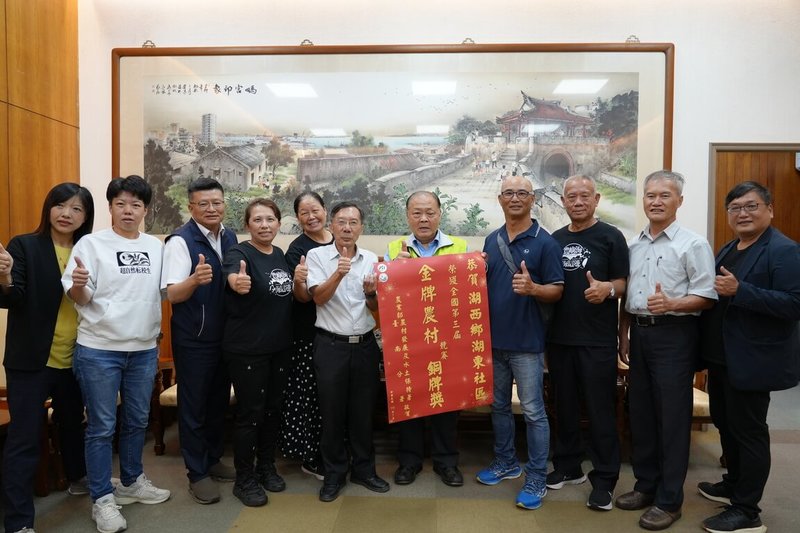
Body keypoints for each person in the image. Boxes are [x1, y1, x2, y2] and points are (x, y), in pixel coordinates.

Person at [62, 175, 170, 533]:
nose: (128, 210)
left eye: (136, 205)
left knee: (137, 421)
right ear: (110, 207)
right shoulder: (90, 245)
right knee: (101, 427)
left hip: (142, 349)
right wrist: (79, 286)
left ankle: (131, 481)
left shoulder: (156, 247)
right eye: (121, 204)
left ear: (145, 210)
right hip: (99, 350)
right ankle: (103, 499)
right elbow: (81, 297)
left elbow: (165, 293)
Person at [697, 181, 800, 533]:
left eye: (751, 206)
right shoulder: (730, 247)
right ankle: (734, 484)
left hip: (753, 361)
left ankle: (747, 510)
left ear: (769, 209)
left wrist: (742, 291)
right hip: (723, 359)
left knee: (749, 432)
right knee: (726, 423)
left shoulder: (784, 251)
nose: (743, 213)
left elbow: (795, 304)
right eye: (736, 208)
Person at [616, 170, 717, 531]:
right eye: (650, 195)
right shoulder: (635, 244)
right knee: (640, 412)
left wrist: (673, 302)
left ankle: (669, 500)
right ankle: (645, 486)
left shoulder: (693, 244)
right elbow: (629, 296)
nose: (656, 202)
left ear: (679, 201)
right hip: (640, 334)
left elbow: (706, 296)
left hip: (675, 336)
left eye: (664, 195)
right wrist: (625, 332)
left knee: (672, 419)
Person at [0, 183, 94, 533]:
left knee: (73, 424)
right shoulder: (24, 245)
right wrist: (6, 274)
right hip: (32, 360)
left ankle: (76, 478)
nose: (66, 213)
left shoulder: (89, 249)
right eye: (59, 205)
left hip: (77, 355)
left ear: (86, 216)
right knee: (24, 440)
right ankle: (19, 522)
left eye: (76, 209)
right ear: (48, 208)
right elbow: (11, 298)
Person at [477, 175, 564, 510]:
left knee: (533, 412)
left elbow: (557, 290)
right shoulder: (492, 239)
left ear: (533, 199)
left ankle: (537, 476)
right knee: (497, 406)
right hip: (494, 342)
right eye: (508, 193)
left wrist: (534, 289)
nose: (515, 198)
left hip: (527, 344)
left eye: (522, 193)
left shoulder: (546, 242)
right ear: (500, 199)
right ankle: (505, 462)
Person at [546, 175, 629, 511]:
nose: (577, 202)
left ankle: (605, 479)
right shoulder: (555, 239)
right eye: (571, 197)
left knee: (599, 410)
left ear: (596, 200)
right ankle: (568, 465)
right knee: (563, 406)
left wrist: (606, 289)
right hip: (560, 338)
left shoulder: (612, 236)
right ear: (563, 201)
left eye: (584, 196)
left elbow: (624, 282)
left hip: (597, 340)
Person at [306, 201, 389, 502]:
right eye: (341, 222)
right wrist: (339, 274)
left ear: (361, 228)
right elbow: (318, 299)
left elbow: (375, 306)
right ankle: (334, 474)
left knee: (363, 413)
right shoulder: (317, 256)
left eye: (353, 222)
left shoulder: (370, 259)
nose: (347, 228)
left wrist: (370, 294)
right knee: (332, 413)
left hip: (365, 346)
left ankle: (365, 471)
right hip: (331, 346)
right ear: (331, 225)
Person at [161, 177, 237, 504]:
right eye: (203, 203)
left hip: (225, 337)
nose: (211, 209)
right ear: (191, 206)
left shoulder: (230, 236)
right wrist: (193, 280)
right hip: (194, 339)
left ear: (224, 204)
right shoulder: (180, 241)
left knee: (218, 402)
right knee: (193, 407)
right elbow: (171, 294)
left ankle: (212, 458)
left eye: (216, 202)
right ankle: (197, 473)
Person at [385, 191, 468, 488]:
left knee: (446, 404)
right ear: (408, 216)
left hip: (446, 340)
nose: (423, 219)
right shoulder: (396, 248)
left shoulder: (458, 247)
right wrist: (394, 267)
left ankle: (447, 463)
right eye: (417, 213)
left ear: (439, 214)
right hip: (409, 340)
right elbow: (385, 295)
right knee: (410, 399)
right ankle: (409, 462)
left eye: (430, 212)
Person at [222, 198, 298, 507]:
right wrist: (236, 282)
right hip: (247, 349)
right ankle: (245, 479)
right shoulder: (239, 253)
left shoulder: (279, 254)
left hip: (278, 348)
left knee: (272, 411)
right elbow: (232, 277)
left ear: (279, 223)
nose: (264, 225)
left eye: (270, 219)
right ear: (247, 225)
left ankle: (266, 467)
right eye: (257, 220)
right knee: (250, 414)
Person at [279, 191, 333, 480]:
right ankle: (311, 457)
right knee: (310, 397)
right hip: (308, 334)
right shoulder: (297, 250)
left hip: (337, 330)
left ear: (325, 210)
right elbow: (298, 297)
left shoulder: (340, 240)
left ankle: (333, 451)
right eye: (304, 212)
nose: (311, 216)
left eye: (315, 210)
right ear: (298, 218)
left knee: (332, 397)